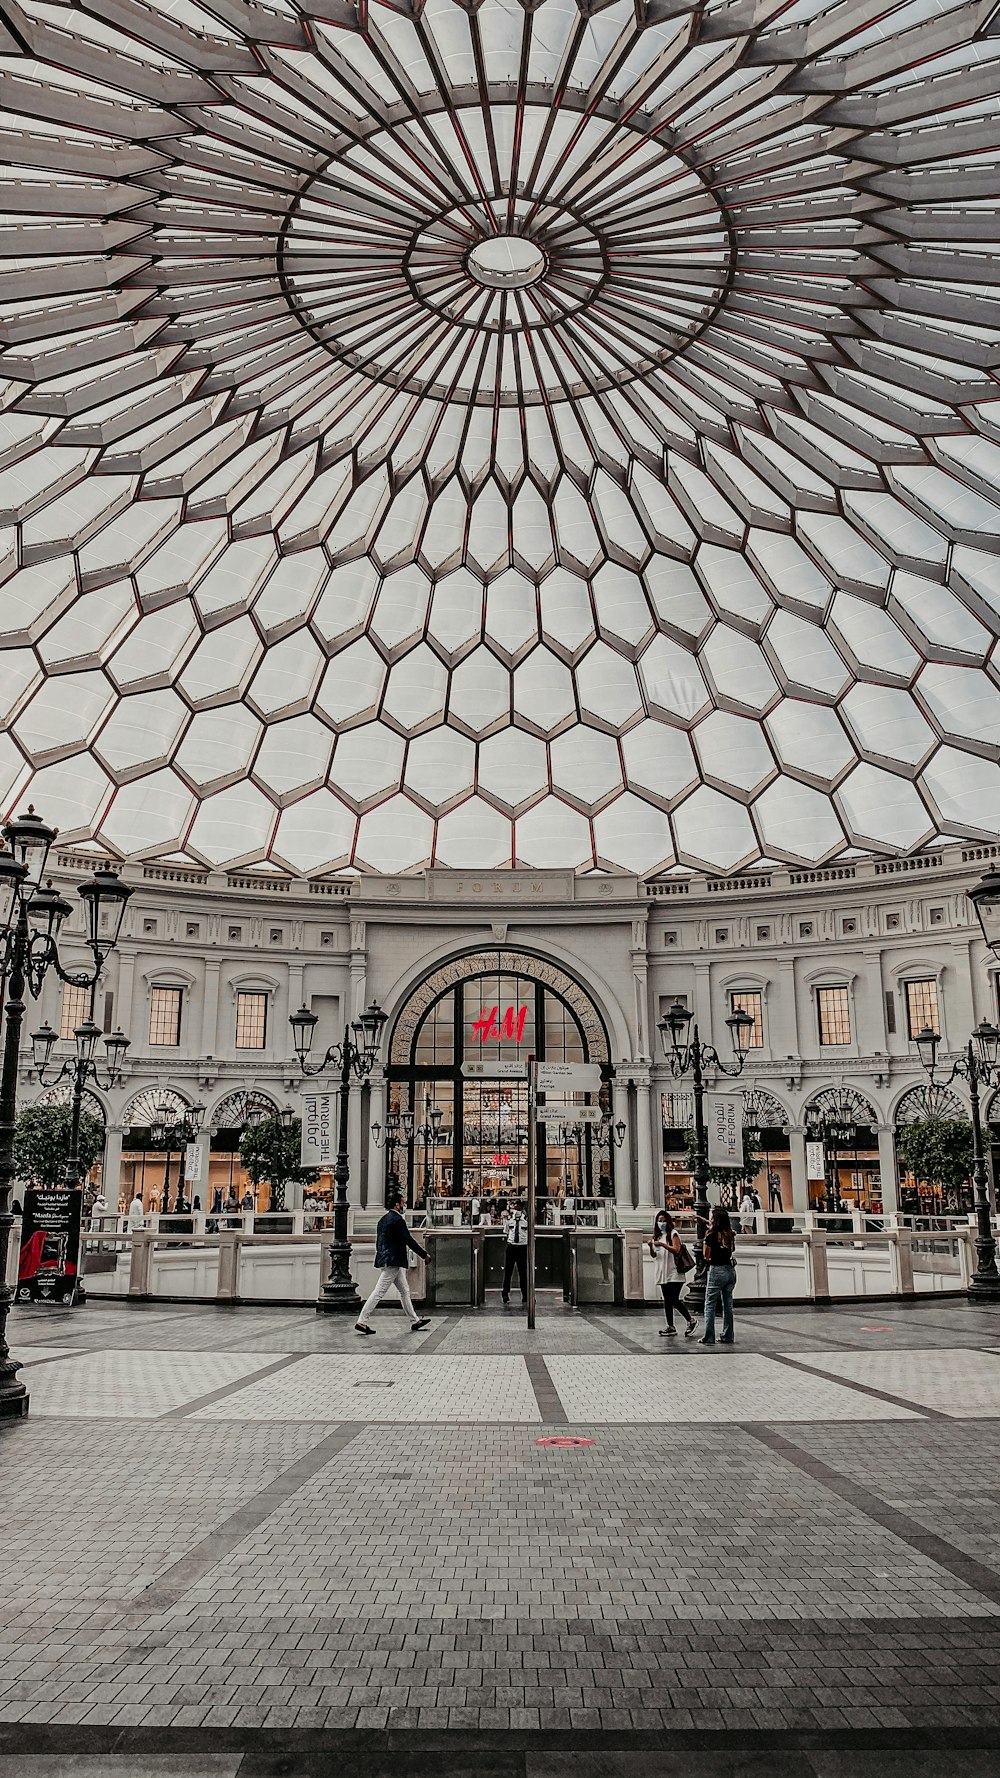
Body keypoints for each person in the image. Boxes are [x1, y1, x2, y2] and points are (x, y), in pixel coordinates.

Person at [356, 1188, 430, 1335]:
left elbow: (380, 1242)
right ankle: (362, 1321)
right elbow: (408, 1240)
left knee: (404, 1290)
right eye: (403, 1203)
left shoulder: (383, 1220)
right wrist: (424, 1255)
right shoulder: (398, 1220)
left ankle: (414, 1320)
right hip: (393, 1261)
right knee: (379, 1292)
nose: (404, 1205)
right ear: (397, 1205)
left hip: (386, 1259)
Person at [649, 1211, 697, 1338]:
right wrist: (651, 1246)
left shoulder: (673, 1234)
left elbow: (676, 1250)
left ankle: (690, 1320)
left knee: (674, 1299)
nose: (662, 1223)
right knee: (667, 1301)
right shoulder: (657, 1236)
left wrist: (663, 1245)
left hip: (674, 1272)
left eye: (664, 1220)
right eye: (659, 1221)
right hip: (663, 1272)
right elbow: (654, 1255)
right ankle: (670, 1325)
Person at [699, 1205, 737, 1346]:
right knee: (728, 1304)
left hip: (716, 1270)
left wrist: (705, 1242)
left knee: (710, 1304)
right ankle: (728, 1335)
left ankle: (709, 1336)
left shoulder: (711, 1235)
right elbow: (732, 1249)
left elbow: (706, 1255)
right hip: (730, 1270)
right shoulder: (730, 1234)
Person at [501, 1200, 528, 1305]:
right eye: (515, 1209)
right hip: (511, 1247)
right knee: (508, 1272)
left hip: (522, 1248)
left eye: (518, 1209)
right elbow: (506, 1232)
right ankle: (505, 1294)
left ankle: (525, 1294)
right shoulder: (509, 1221)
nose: (516, 1211)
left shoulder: (526, 1221)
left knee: (523, 1273)